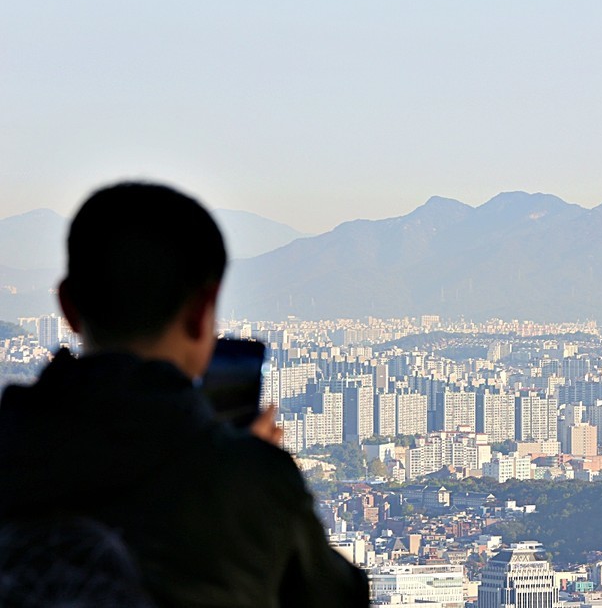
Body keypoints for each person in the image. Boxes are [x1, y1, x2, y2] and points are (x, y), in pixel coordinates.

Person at [0, 183, 369, 607]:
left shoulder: (14, 450)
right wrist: (249, 466)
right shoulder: (246, 482)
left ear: (67, 306)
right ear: (201, 310)